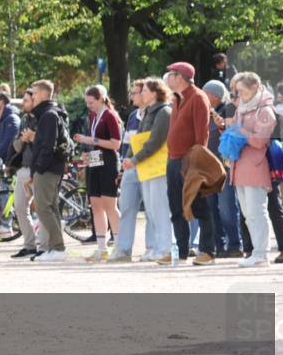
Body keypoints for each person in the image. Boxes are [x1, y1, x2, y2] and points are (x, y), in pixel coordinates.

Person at [164, 62, 218, 265]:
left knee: (199, 205)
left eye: (171, 74)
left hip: (190, 162)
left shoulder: (197, 97)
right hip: (173, 159)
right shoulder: (177, 98)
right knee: (176, 207)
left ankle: (207, 251)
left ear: (181, 77)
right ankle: (182, 250)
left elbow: (201, 134)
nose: (168, 78)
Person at [115, 79, 173, 263]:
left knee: (160, 209)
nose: (142, 94)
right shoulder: (149, 111)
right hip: (146, 166)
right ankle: (158, 248)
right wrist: (131, 158)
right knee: (152, 209)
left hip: (157, 167)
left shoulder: (164, 112)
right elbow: (138, 137)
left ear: (155, 93)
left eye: (145, 91)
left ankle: (164, 248)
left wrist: (134, 159)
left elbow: (155, 141)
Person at [231, 72, 277, 266]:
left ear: (255, 88)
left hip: (256, 167)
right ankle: (257, 252)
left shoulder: (265, 111)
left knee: (257, 211)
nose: (238, 95)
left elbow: (259, 141)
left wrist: (238, 130)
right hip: (239, 166)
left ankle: (260, 253)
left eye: (241, 91)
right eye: (236, 91)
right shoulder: (241, 109)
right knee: (248, 214)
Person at [73, 85, 122, 261]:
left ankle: (119, 246)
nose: (89, 106)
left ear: (101, 98)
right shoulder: (93, 116)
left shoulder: (110, 115)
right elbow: (97, 144)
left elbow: (116, 144)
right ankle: (102, 248)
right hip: (96, 161)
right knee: (95, 205)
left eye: (91, 102)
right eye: (87, 102)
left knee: (110, 205)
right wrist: (87, 157)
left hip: (108, 163)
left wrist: (91, 140)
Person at [26, 80, 68, 262]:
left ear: (43, 94)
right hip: (51, 168)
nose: (31, 97)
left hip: (47, 169)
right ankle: (55, 248)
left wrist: (38, 170)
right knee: (51, 208)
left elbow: (47, 146)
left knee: (43, 207)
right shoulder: (50, 114)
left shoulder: (48, 115)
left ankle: (58, 248)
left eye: (34, 94)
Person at [204, 80, 243, 256]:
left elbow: (234, 135)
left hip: (225, 166)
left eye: (206, 94)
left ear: (214, 96)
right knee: (211, 207)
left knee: (227, 207)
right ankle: (218, 245)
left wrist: (222, 126)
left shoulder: (229, 110)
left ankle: (235, 245)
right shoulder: (205, 113)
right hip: (208, 167)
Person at [9, 89, 43, 259]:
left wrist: (34, 138)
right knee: (20, 207)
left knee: (43, 208)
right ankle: (29, 245)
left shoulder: (43, 118)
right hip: (24, 168)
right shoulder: (24, 120)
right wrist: (23, 140)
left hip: (38, 169)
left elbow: (46, 144)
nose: (23, 103)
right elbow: (15, 146)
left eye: (26, 100)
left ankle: (46, 246)